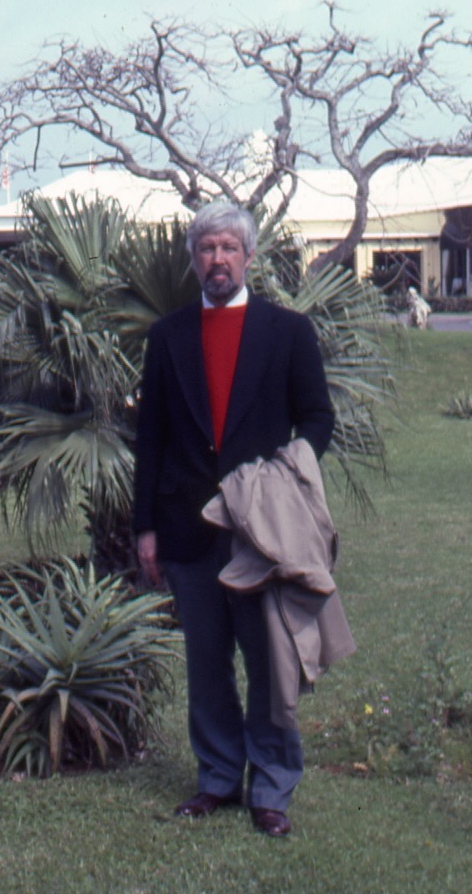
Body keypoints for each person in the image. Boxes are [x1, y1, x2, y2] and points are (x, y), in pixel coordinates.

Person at [133, 199, 335, 837]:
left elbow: (318, 418)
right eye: (206, 248)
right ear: (194, 260)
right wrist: (145, 528)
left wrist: (284, 475)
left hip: (262, 530)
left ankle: (271, 786)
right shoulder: (168, 337)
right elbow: (151, 437)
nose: (217, 259)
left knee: (270, 660)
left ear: (248, 256)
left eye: (227, 248)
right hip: (189, 526)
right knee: (206, 661)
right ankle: (218, 777)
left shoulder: (287, 332)